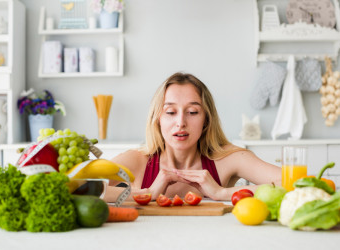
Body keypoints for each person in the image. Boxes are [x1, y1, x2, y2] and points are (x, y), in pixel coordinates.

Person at [104, 72, 281, 202]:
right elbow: (80, 187)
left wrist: (221, 193)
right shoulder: (137, 161)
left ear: (206, 119)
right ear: (158, 119)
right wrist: (148, 192)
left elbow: (297, 184)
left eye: (192, 112)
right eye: (171, 112)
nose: (180, 122)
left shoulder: (227, 159)